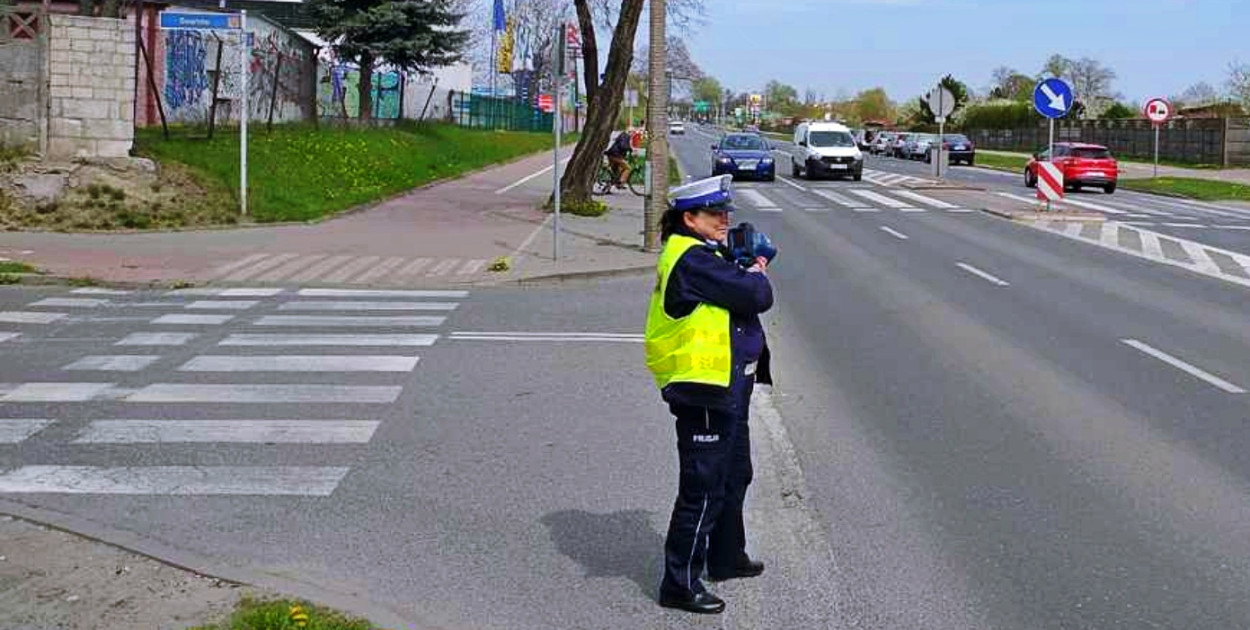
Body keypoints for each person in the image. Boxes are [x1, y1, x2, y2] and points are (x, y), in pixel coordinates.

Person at [645, 180, 773, 615]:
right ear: (689, 218)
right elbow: (757, 296)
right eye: (715, 213)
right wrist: (755, 270)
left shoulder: (707, 253)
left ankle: (725, 555)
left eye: (726, 212)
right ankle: (679, 583)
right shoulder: (692, 259)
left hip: (727, 387)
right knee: (701, 489)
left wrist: (740, 266)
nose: (725, 220)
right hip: (703, 390)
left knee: (736, 475)